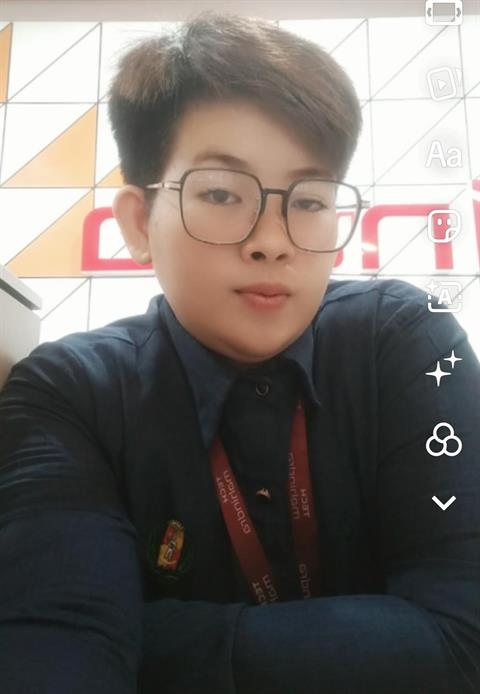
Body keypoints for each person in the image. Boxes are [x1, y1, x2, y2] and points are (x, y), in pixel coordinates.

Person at [0, 10, 479, 694]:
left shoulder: (406, 341)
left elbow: (466, 641)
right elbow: (55, 645)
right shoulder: (71, 395)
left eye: (309, 200)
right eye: (222, 193)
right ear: (138, 223)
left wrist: (146, 640)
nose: (272, 241)